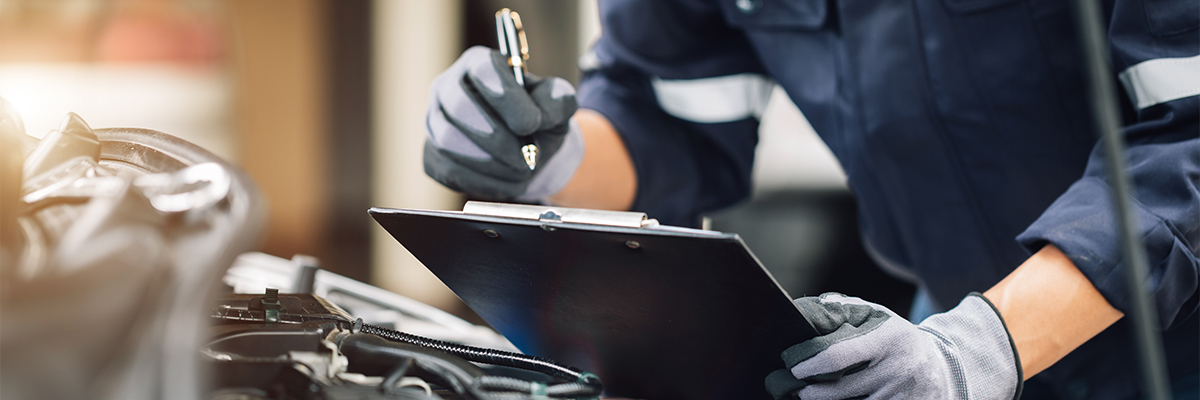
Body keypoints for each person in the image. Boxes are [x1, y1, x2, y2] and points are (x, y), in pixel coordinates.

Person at [422, 0, 1199, 399]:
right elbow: (666, 117)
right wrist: (544, 158)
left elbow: (1189, 143)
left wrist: (986, 348)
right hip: (949, 331)